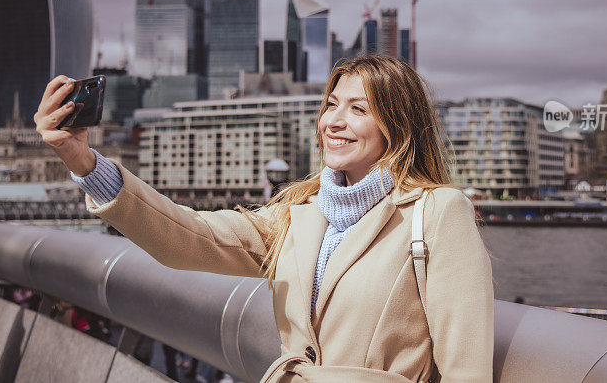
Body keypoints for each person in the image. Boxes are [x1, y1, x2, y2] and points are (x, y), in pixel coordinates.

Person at [35, 55, 494, 382]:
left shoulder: (436, 212)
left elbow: (465, 369)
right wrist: (85, 163)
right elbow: (187, 237)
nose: (333, 120)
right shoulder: (298, 217)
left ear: (398, 124)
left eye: (359, 109)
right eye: (331, 104)